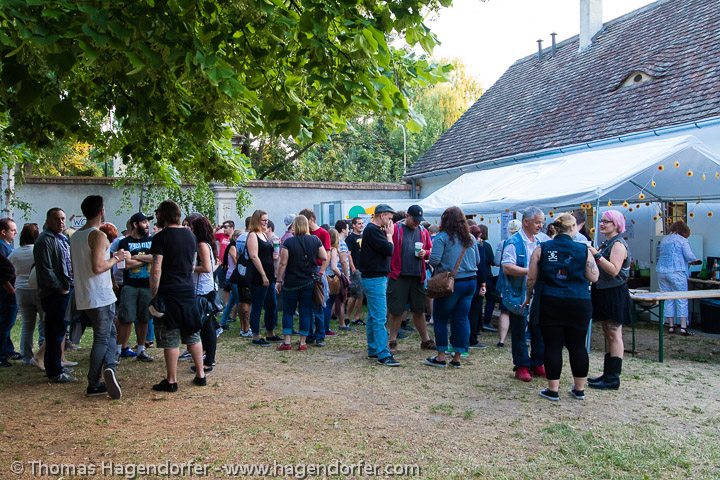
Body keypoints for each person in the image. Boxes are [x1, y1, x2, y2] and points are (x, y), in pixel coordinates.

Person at [522, 213, 599, 401]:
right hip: (579, 301)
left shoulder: (542, 248)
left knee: (553, 345)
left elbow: (531, 278)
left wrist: (528, 297)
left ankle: (553, 389)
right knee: (578, 346)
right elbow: (594, 276)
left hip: (551, 300)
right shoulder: (583, 249)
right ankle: (579, 389)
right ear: (573, 228)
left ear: (555, 228)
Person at [70, 196, 129, 398]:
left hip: (85, 294)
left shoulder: (76, 236)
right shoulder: (98, 235)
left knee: (110, 333)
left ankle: (110, 366)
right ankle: (94, 383)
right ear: (102, 211)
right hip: (100, 295)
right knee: (102, 338)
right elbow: (98, 267)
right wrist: (116, 258)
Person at [150, 200, 206, 392]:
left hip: (168, 292)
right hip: (187, 291)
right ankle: (201, 375)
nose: (156, 215)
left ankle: (171, 380)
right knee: (193, 334)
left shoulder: (160, 237)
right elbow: (191, 265)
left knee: (171, 336)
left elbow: (156, 269)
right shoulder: (190, 235)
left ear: (163, 214)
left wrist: (154, 294)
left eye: (158, 212)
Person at [425, 207, 483, 368]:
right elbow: (478, 260)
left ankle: (440, 357)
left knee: (441, 319)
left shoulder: (442, 237)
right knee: (461, 319)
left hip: (451, 282)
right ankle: (457, 356)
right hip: (471, 281)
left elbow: (434, 260)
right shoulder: (470, 237)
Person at [587, 210, 633, 391]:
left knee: (614, 333)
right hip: (604, 291)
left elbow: (614, 270)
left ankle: (613, 378)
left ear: (616, 224)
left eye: (607, 221)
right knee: (608, 332)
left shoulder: (618, 244)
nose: (602, 224)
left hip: (614, 292)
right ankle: (607, 374)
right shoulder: (608, 243)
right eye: (601, 221)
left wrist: (596, 255)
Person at [501, 207, 546, 382]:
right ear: (526, 222)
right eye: (537, 222)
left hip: (537, 292)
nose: (540, 226)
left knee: (538, 329)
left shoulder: (540, 242)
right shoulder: (513, 242)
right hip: (518, 293)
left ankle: (537, 362)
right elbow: (507, 267)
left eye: (541, 222)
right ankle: (521, 365)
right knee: (519, 330)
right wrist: (530, 271)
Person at [387, 205, 436, 354]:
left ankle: (425, 340)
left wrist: (425, 253)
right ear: (407, 216)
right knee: (396, 310)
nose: (417, 223)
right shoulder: (395, 228)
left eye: (419, 220)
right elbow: (388, 247)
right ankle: (393, 340)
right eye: (415, 219)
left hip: (417, 276)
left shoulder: (423, 231)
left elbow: (430, 249)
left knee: (419, 309)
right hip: (399, 275)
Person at [34, 208, 75, 383]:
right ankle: (55, 371)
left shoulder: (61, 238)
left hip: (64, 288)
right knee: (54, 331)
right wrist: (60, 288)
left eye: (63, 219)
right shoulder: (45, 240)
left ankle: (57, 364)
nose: (61, 222)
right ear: (48, 220)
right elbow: (45, 270)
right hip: (54, 292)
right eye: (57, 219)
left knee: (60, 329)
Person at [275, 215, 328, 351]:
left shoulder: (289, 242)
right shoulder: (315, 240)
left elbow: (283, 263)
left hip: (291, 282)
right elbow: (324, 256)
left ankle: (287, 342)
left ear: (294, 226)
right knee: (305, 311)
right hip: (309, 281)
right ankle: (302, 343)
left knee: (288, 311)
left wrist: (279, 280)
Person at [359, 204, 400, 366]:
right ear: (382, 215)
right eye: (389, 218)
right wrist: (389, 235)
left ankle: (373, 348)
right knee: (379, 317)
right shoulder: (373, 230)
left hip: (374, 278)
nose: (390, 222)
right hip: (375, 278)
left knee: (373, 315)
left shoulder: (372, 230)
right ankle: (383, 353)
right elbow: (389, 249)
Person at [116, 213, 155, 362]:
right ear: (134, 224)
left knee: (144, 318)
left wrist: (135, 257)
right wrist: (146, 259)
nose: (147, 225)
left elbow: (155, 258)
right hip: (129, 286)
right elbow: (124, 265)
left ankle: (141, 350)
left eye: (147, 222)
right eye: (144, 222)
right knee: (126, 319)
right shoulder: (124, 242)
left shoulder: (151, 240)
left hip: (147, 286)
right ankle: (118, 350)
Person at [9, 223, 46, 369]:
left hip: (21, 290)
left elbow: (10, 269)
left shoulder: (15, 253)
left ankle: (26, 357)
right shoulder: (38, 250)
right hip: (38, 288)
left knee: (27, 325)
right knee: (45, 323)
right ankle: (44, 353)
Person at [657, 220, 701, 335]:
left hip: (662, 272)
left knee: (668, 298)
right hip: (677, 272)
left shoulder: (665, 239)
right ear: (684, 231)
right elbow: (689, 256)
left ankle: (671, 326)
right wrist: (694, 260)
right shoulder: (682, 240)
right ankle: (683, 327)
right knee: (682, 298)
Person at [246, 210, 280, 346]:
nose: (266, 222)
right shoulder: (253, 235)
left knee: (272, 304)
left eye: (267, 220)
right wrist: (263, 275)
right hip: (258, 276)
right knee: (258, 305)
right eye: (263, 220)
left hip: (269, 274)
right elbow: (254, 256)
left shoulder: (264, 235)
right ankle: (256, 335)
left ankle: (270, 332)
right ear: (257, 221)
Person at [190, 216, 220, 374]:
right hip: (203, 288)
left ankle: (209, 361)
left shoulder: (202, 245)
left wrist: (189, 268)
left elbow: (207, 268)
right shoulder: (205, 244)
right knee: (206, 326)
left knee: (207, 327)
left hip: (202, 290)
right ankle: (206, 357)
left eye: (192, 228)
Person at [298, 208, 331, 346]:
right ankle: (309, 334)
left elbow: (327, 254)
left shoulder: (322, 233)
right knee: (307, 306)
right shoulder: (305, 234)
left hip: (317, 270)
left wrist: (322, 271)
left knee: (319, 304)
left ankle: (320, 335)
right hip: (306, 271)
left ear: (310, 220)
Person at [494, 219, 521, 348]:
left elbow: (497, 262)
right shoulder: (524, 243)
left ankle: (502, 340)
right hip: (521, 280)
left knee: (505, 311)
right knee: (522, 311)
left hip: (505, 281)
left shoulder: (503, 243)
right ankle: (520, 338)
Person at [0, 217, 19, 366]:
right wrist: (9, 287)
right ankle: (1, 355)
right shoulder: (1, 247)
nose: (16, 232)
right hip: (6, 291)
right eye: (12, 230)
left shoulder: (7, 246)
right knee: (5, 322)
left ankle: (8, 349)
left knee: (8, 322)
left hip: (11, 290)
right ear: (3, 232)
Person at [467, 225, 489, 349]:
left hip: (464, 281)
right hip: (475, 282)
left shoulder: (462, 245)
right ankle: (472, 339)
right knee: (474, 312)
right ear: (479, 235)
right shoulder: (478, 248)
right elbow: (481, 268)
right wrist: (483, 284)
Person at [344, 217, 365, 326]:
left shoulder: (363, 237)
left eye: (362, 223)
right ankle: (348, 317)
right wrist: (352, 267)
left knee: (360, 295)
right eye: (359, 224)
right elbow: (348, 254)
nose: (361, 225)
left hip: (363, 268)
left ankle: (356, 317)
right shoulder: (350, 238)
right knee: (355, 294)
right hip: (355, 269)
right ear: (353, 225)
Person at [477, 224, 497, 333]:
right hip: (486, 275)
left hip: (477, 275)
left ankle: (478, 323)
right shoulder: (486, 245)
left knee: (478, 300)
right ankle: (486, 321)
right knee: (491, 298)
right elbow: (492, 260)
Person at [333, 220, 353, 330]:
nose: (349, 231)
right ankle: (342, 324)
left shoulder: (335, 241)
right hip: (341, 275)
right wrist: (347, 277)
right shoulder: (342, 243)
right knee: (341, 300)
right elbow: (344, 262)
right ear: (343, 230)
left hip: (335, 275)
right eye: (348, 228)